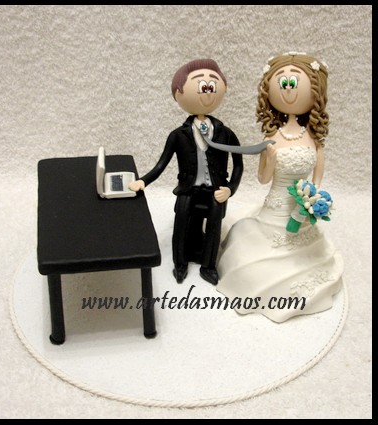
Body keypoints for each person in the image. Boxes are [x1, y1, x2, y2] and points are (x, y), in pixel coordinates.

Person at [216, 52, 344, 322]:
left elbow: (318, 175)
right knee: (254, 261)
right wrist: (271, 161)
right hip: (274, 206)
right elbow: (263, 179)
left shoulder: (313, 138)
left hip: (301, 207)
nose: (288, 90)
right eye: (282, 83)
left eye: (294, 83)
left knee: (303, 254)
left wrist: (311, 200)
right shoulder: (272, 136)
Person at [129, 59, 269, 285]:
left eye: (212, 85)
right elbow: (162, 163)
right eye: (200, 85)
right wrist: (143, 181)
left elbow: (238, 165)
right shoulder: (178, 135)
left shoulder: (225, 133)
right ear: (178, 93)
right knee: (181, 219)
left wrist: (230, 189)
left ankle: (208, 265)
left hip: (216, 190)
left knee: (214, 222)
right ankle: (180, 263)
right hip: (188, 189)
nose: (207, 90)